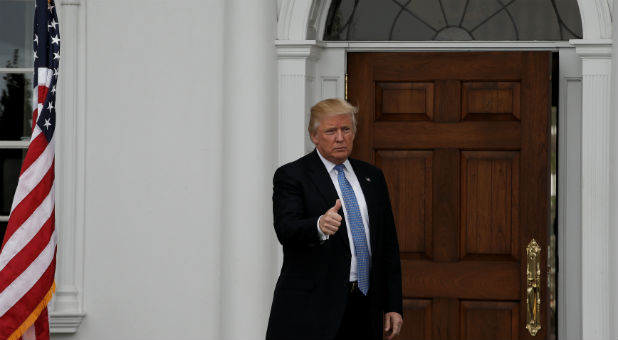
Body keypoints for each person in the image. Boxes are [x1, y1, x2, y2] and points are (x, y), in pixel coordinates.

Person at [266, 98, 403, 340]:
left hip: (364, 305)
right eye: (331, 131)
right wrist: (318, 225)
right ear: (314, 136)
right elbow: (285, 228)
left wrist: (392, 304)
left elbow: (388, 244)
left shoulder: (372, 176)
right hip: (311, 308)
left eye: (346, 129)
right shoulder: (293, 175)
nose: (340, 137)